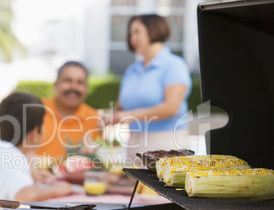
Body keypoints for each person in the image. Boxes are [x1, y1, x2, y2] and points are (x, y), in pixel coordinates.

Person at [109, 14, 192, 165]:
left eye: (137, 32)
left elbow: (171, 108)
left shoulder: (174, 65)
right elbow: (120, 106)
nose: (132, 38)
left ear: (153, 30)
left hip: (167, 146)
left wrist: (127, 115)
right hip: (134, 145)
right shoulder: (132, 70)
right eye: (130, 33)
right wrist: (105, 120)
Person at [36, 61, 101, 159]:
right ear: (55, 84)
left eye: (80, 82)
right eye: (68, 80)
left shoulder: (94, 118)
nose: (74, 87)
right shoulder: (36, 110)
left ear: (87, 88)